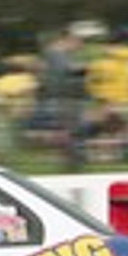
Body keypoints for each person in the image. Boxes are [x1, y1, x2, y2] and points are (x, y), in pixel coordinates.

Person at [39, 28, 87, 170]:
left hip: (65, 97)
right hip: (64, 98)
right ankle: (72, 161)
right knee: (69, 129)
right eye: (77, 42)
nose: (79, 46)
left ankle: (72, 160)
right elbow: (66, 71)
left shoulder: (59, 54)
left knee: (69, 129)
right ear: (68, 40)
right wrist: (82, 68)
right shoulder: (57, 53)